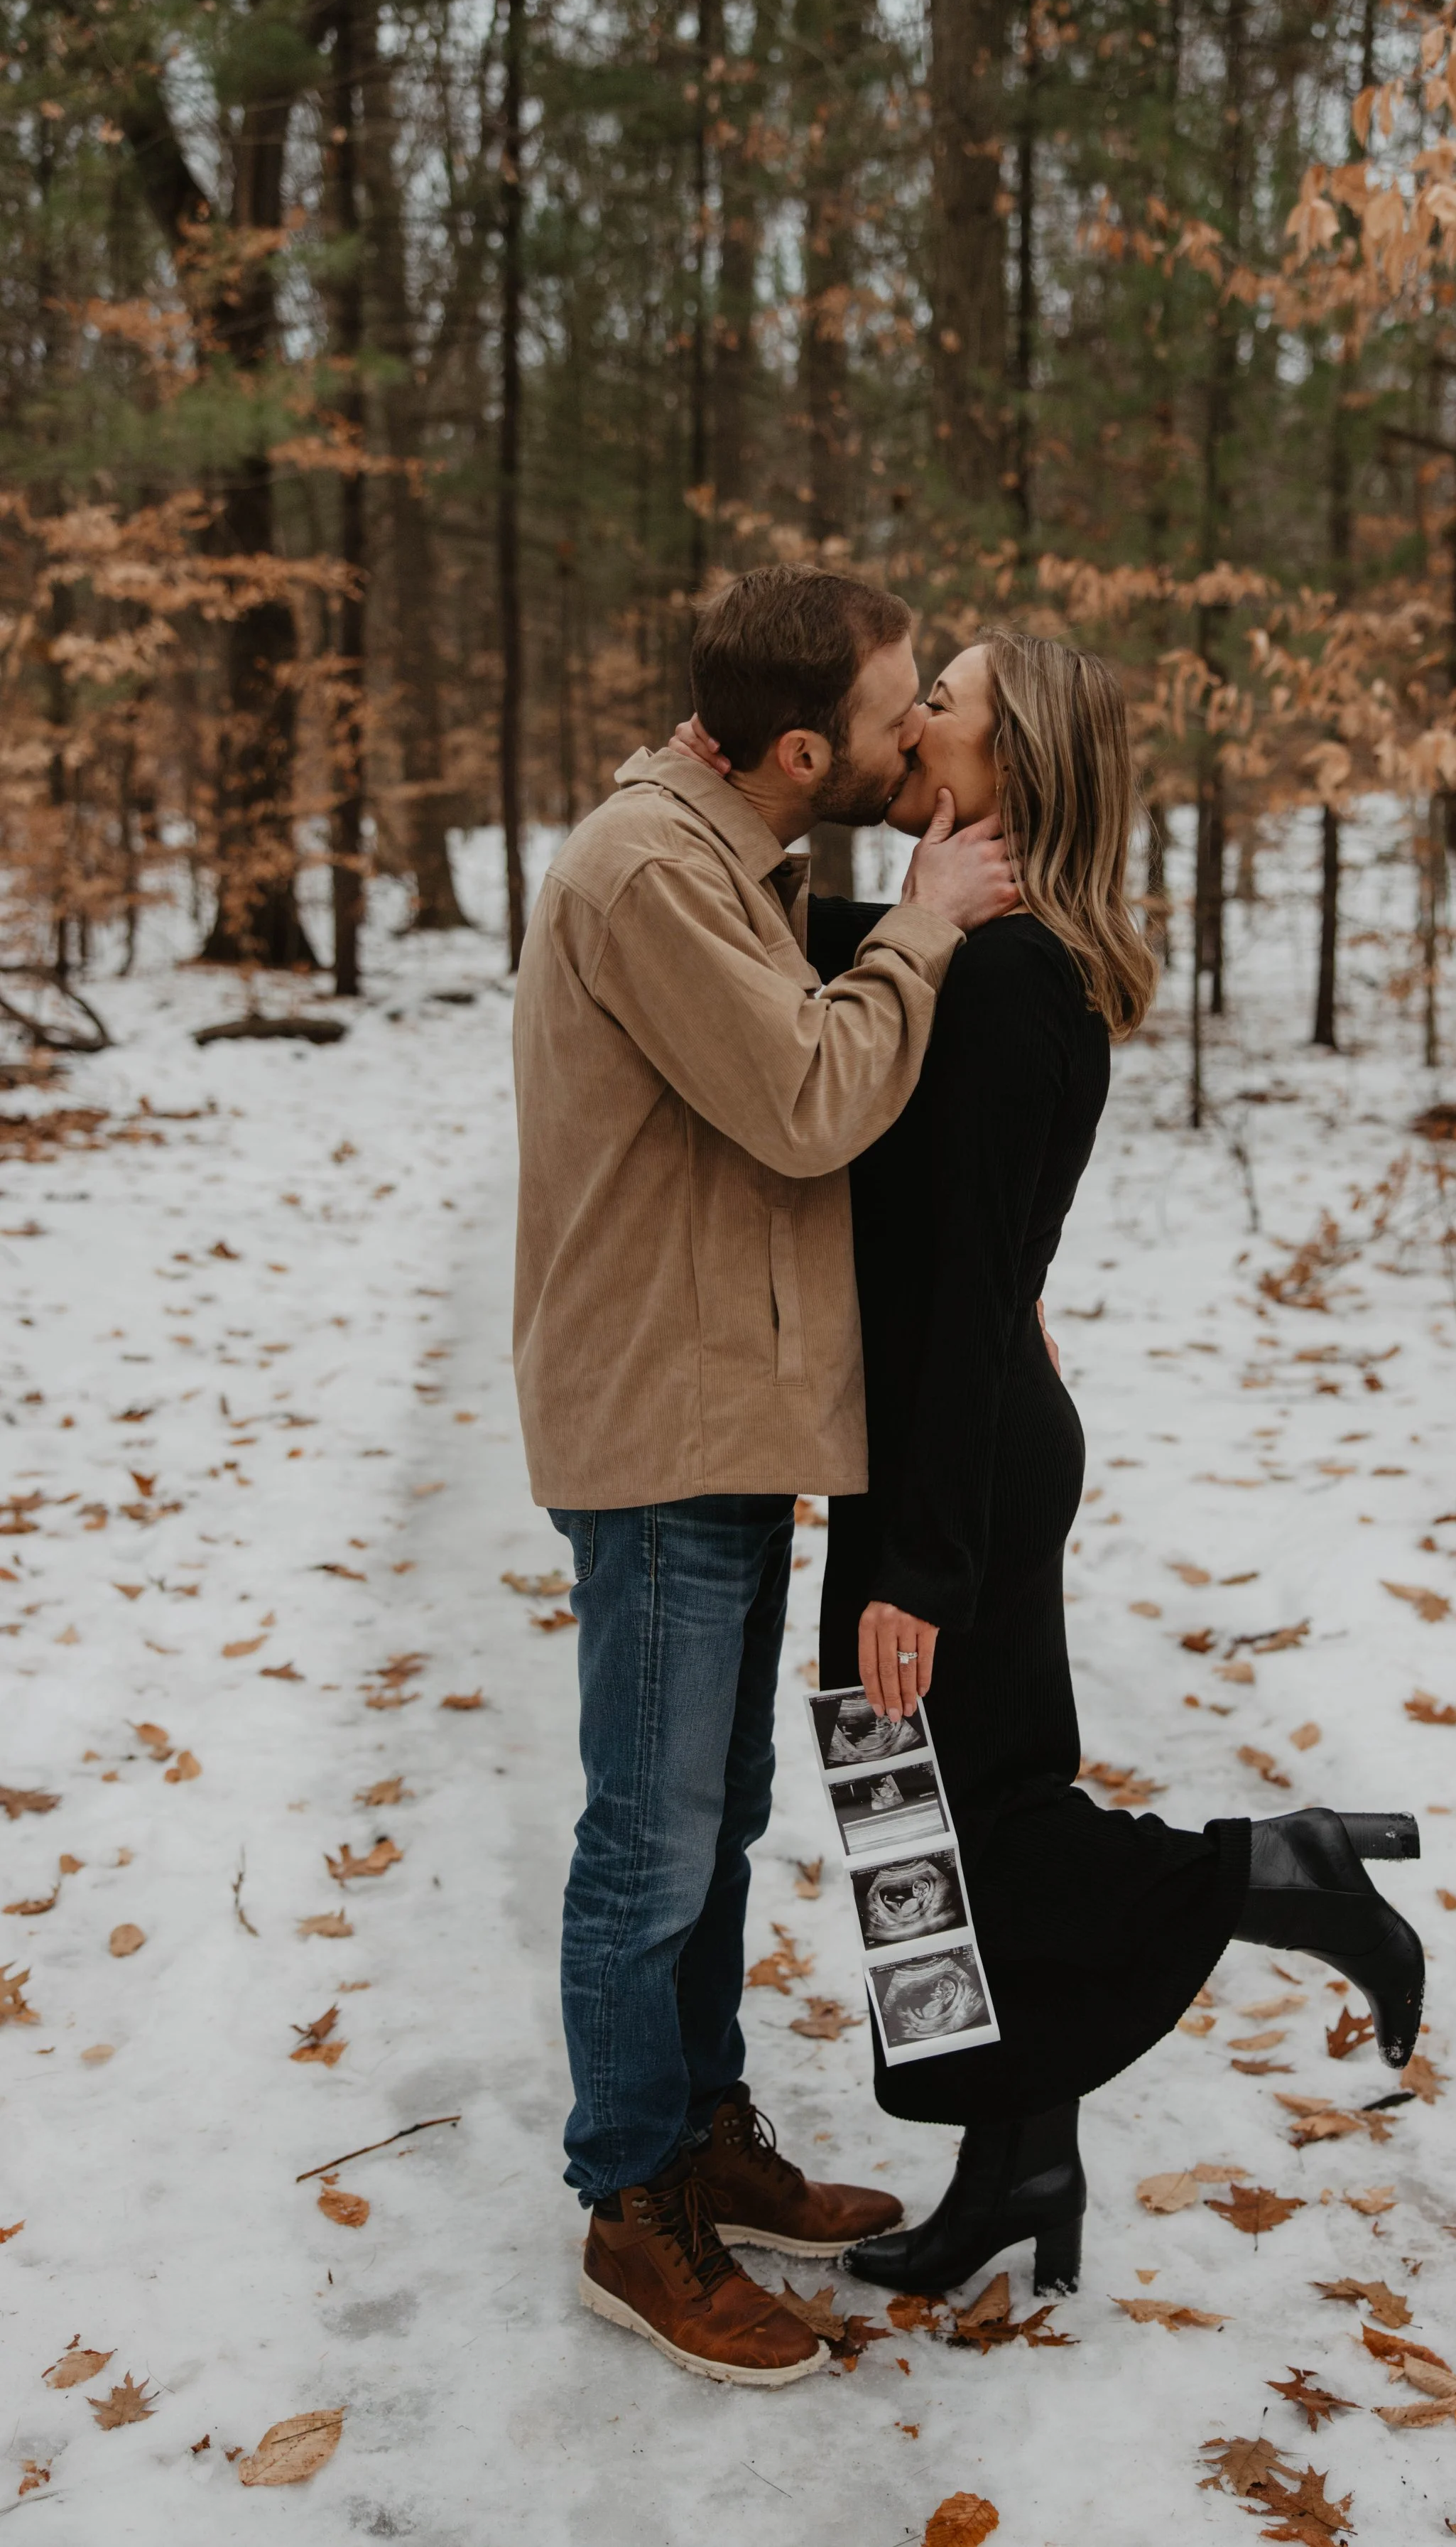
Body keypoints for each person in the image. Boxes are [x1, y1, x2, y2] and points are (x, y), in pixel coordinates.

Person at [793, 633, 1427, 2298]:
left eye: (949, 704)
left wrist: (921, 1565)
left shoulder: (1004, 985)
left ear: (1019, 768)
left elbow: (954, 1274)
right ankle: (1014, 2162)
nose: (916, 713)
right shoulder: (982, 949)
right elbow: (798, 958)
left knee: (962, 1818)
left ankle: (1270, 1872)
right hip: (962, 1420)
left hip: (959, 1451)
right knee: (920, 1816)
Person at [509, 565, 1018, 2387]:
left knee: (707, 1821)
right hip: (659, 1424)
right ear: (802, 746)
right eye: (896, 713)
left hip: (716, 1412)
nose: (910, 739)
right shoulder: (651, 871)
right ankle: (630, 2200)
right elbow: (807, 1095)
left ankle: (701, 2128)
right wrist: (929, 921)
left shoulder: (721, 857)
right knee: (643, 1844)